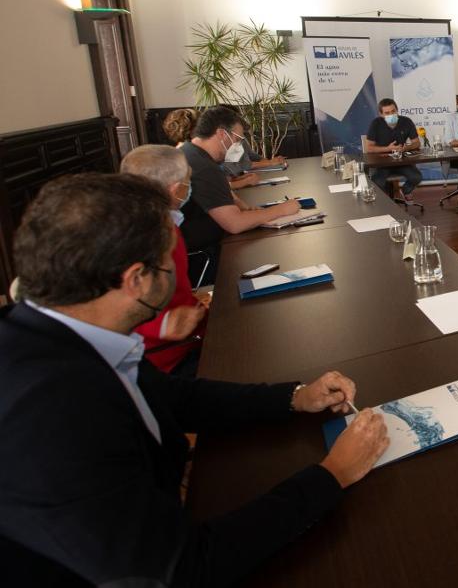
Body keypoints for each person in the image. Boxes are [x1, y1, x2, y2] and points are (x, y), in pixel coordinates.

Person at [0, 173, 389, 586]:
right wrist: (332, 475)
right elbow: (185, 568)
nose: (177, 270)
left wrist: (294, 398)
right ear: (136, 280)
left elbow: (171, 396)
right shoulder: (49, 417)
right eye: (171, 260)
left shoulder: (56, 335)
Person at [120, 144, 209, 375]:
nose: (190, 187)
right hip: (166, 358)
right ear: (176, 189)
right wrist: (163, 325)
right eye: (188, 181)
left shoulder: (147, 222)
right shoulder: (148, 234)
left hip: (177, 339)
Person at [178, 105, 301, 255]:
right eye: (236, 139)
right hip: (203, 253)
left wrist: (245, 209)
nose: (237, 146)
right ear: (222, 134)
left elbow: (222, 195)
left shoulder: (189, 152)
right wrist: (282, 209)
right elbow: (234, 224)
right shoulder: (203, 166)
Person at [364, 98, 423, 200]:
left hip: (401, 161)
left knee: (416, 177)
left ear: (397, 110)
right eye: (387, 113)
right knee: (377, 182)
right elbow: (369, 148)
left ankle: (405, 191)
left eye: (393, 111)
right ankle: (387, 202)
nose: (391, 115)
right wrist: (388, 148)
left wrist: (406, 148)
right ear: (381, 114)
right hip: (381, 164)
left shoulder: (406, 121)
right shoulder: (376, 124)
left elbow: (417, 143)